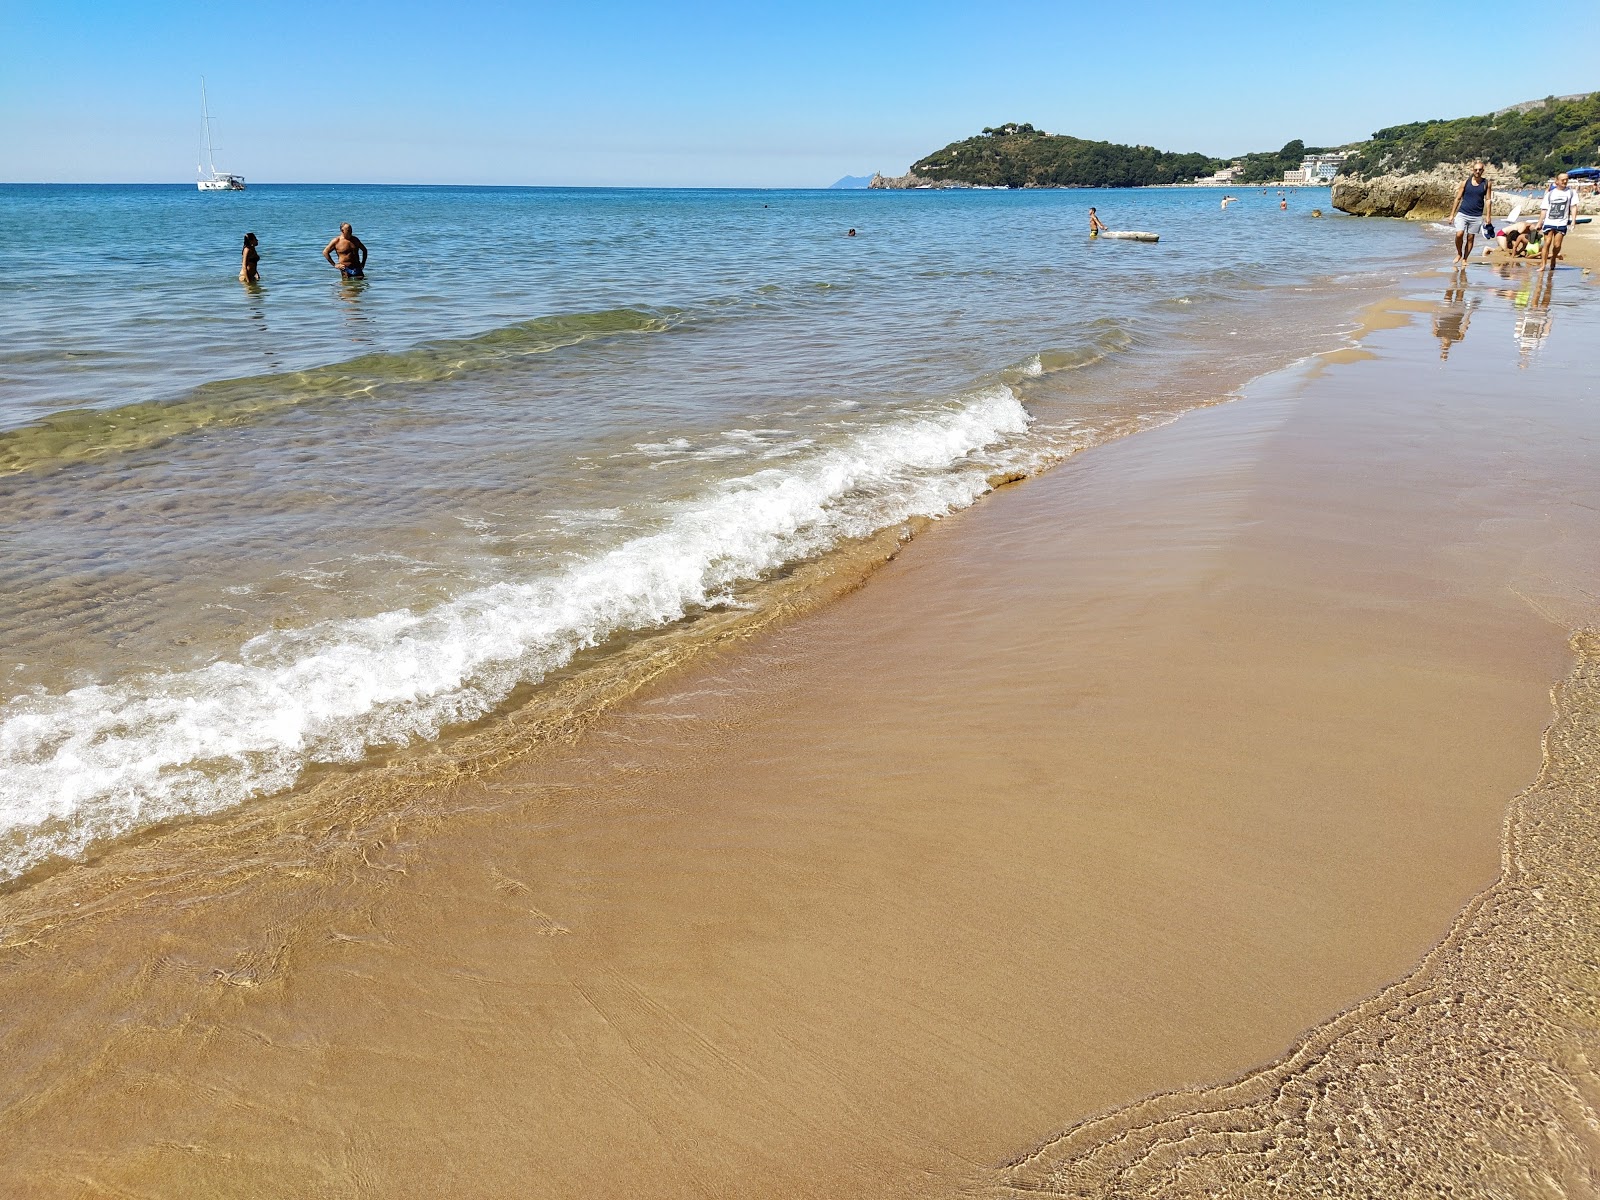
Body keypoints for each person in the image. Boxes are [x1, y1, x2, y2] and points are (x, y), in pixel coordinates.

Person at [1447, 162, 1492, 266]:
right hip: (1463, 213)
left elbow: (1488, 200)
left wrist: (1488, 216)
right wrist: (1451, 214)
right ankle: (1459, 253)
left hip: (1476, 215)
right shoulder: (1465, 182)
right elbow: (1458, 198)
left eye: (1480, 170)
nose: (1477, 172)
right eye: (1476, 169)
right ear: (1472, 170)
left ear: (1483, 170)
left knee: (1470, 238)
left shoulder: (1486, 183)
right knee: (1459, 234)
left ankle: (1465, 259)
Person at [1538, 172, 1578, 268]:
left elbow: (1573, 207)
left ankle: (1553, 257)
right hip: (1549, 221)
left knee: (1557, 245)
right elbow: (1544, 209)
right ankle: (1543, 265)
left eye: (1566, 179)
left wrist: (1573, 220)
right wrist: (1539, 222)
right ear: (1557, 181)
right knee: (1547, 242)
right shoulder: (1550, 194)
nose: (1565, 181)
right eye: (1562, 179)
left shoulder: (1571, 193)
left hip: (1562, 222)